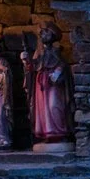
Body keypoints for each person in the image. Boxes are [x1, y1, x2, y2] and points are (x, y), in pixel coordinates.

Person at [28, 22, 74, 150]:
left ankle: (61, 132)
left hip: (53, 83)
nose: (42, 34)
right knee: (43, 109)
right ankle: (47, 132)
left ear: (52, 35)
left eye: (45, 32)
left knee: (55, 105)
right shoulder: (39, 53)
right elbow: (33, 67)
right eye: (41, 33)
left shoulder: (56, 51)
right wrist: (26, 61)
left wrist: (57, 72)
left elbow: (62, 64)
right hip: (41, 84)